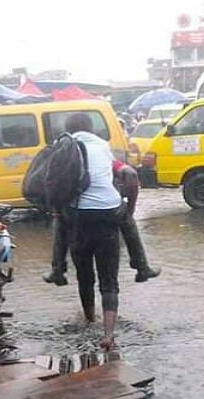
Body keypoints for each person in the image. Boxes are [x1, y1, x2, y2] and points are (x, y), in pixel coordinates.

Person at [52, 113, 126, 350]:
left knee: (84, 274)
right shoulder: (102, 145)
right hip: (108, 212)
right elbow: (114, 173)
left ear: (69, 128)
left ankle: (88, 318)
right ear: (91, 127)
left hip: (78, 215)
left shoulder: (63, 146)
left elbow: (55, 182)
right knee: (109, 279)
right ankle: (108, 335)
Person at [43, 155, 160, 286]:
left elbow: (51, 183)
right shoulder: (103, 154)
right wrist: (130, 211)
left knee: (59, 222)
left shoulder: (67, 155)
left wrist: (56, 209)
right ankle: (141, 266)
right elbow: (131, 174)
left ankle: (57, 270)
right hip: (108, 209)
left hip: (76, 209)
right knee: (128, 221)